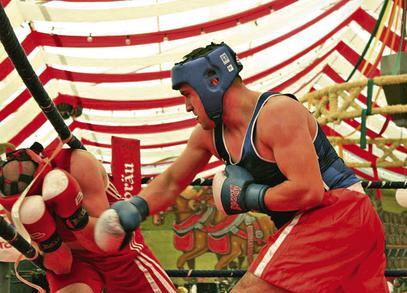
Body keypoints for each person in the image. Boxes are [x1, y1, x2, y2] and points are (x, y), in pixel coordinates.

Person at [95, 42, 388, 292]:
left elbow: (309, 190)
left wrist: (247, 196)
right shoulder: (208, 135)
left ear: (211, 83)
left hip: (338, 212)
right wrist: (136, 207)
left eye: (187, 94)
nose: (186, 106)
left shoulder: (277, 114)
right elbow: (173, 180)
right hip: (318, 223)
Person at [0, 143, 176, 292]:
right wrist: (49, 242)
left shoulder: (77, 163)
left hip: (116, 253)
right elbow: (61, 267)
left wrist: (75, 215)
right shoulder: (16, 206)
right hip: (74, 264)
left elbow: (103, 244)